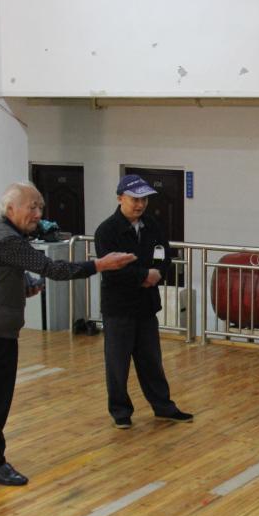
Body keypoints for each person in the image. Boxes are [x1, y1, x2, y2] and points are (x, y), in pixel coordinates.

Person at [0, 183, 137, 486]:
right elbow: (54, 269)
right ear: (11, 209)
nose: (38, 213)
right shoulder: (6, 239)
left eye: (40, 206)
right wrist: (100, 264)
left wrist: (24, 284)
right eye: (32, 207)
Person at [94, 174, 193, 429]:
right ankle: (120, 412)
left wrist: (157, 274)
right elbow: (111, 270)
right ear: (120, 198)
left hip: (146, 305)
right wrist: (143, 276)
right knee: (118, 364)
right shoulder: (106, 231)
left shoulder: (152, 225)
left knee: (151, 361)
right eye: (135, 199)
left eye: (144, 200)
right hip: (119, 308)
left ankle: (163, 406)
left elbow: (165, 256)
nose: (140, 205)